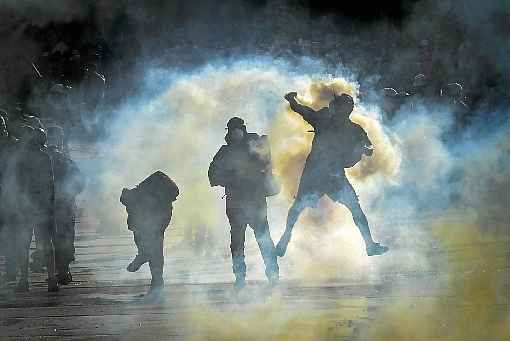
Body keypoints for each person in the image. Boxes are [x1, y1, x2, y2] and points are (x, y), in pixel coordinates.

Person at [275, 92, 388, 257]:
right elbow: (301, 110)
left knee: (353, 208)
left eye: (347, 107)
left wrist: (364, 149)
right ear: (337, 108)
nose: (344, 110)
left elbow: (369, 148)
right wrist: (292, 101)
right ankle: (285, 238)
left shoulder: (353, 129)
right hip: (316, 173)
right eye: (342, 106)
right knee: (298, 207)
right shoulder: (324, 121)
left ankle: (370, 245)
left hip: (334, 174)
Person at [208, 117, 280, 290]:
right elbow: (212, 174)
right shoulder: (225, 152)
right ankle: (240, 277)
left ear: (243, 130)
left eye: (237, 129)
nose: (235, 133)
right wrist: (231, 178)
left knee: (264, 239)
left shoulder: (255, 146)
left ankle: (273, 274)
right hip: (235, 204)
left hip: (255, 201)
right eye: (232, 130)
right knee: (237, 243)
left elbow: (269, 163)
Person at [3, 125, 58, 292]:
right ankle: (48, 279)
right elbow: (50, 186)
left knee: (25, 244)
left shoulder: (22, 159)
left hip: (28, 207)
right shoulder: (42, 157)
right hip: (35, 207)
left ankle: (26, 280)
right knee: (41, 243)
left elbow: (14, 184)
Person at [120, 171, 179, 295]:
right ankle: (156, 280)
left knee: (152, 248)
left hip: (157, 215)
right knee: (155, 248)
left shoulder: (136, 198)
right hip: (161, 215)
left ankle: (144, 257)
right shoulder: (142, 195)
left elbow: (135, 223)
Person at [46, 126, 85, 284]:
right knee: (64, 237)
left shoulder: (40, 156)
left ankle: (56, 271)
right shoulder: (63, 158)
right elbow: (79, 182)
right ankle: (63, 270)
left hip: (45, 204)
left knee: (49, 238)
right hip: (62, 204)